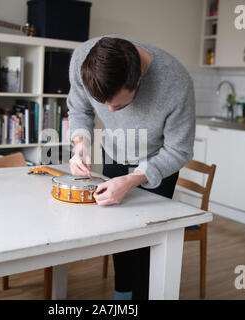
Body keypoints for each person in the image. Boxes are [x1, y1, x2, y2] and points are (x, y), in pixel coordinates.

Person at [67, 35, 196, 300]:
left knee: (149, 241)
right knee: (119, 233)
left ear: (138, 80)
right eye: (104, 104)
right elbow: (79, 110)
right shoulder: (82, 58)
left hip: (158, 161)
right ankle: (122, 293)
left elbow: (179, 149)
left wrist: (132, 179)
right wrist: (81, 146)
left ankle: (142, 296)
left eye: (121, 104)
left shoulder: (176, 84)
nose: (111, 112)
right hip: (115, 153)